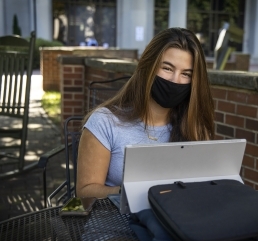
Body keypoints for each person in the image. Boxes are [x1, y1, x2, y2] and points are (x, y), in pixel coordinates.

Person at [76, 27, 215, 199]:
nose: (175, 80)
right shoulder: (104, 122)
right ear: (148, 66)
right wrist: (142, 193)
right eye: (167, 68)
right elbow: (85, 194)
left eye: (186, 74)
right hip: (115, 223)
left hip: (176, 223)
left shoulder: (195, 128)